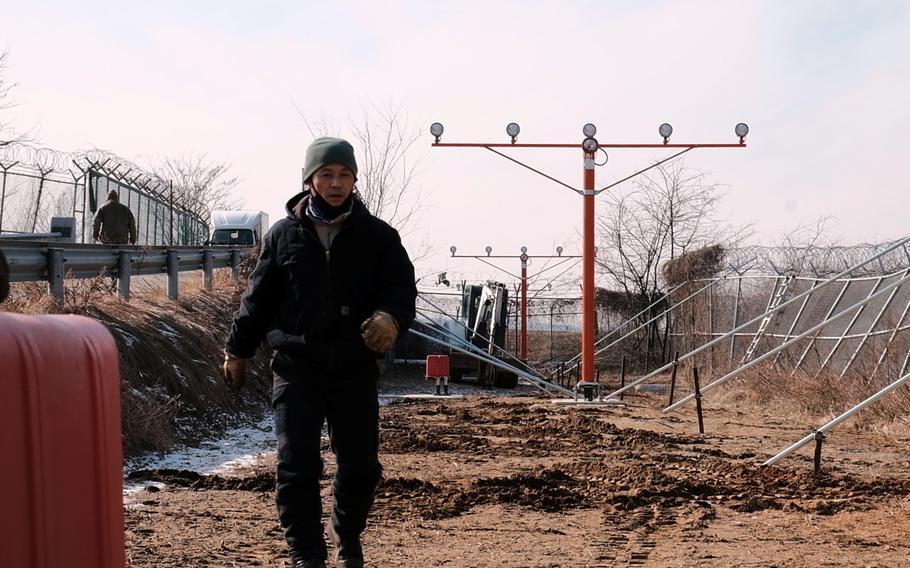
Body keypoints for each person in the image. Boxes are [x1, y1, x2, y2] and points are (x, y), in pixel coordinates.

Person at [222, 137, 417, 568]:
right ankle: (305, 553)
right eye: (326, 174)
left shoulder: (379, 237)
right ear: (309, 179)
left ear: (354, 180)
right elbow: (257, 300)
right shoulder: (283, 236)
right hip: (297, 368)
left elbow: (402, 290)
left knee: (361, 467)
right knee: (296, 464)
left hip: (355, 368)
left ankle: (346, 533)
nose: (335, 183)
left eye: (344, 175)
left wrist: (390, 318)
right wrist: (237, 350)